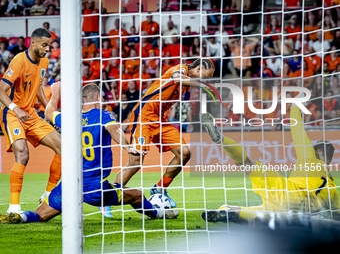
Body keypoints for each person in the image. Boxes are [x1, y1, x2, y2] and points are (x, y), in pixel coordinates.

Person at [0, 83, 179, 224]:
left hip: (70, 185)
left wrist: (55, 94)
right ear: (98, 97)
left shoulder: (70, 117)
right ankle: (158, 213)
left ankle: (21, 217)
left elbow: (48, 114)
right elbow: (115, 130)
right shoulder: (103, 115)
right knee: (138, 195)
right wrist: (126, 147)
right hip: (95, 189)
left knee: (40, 215)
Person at [200, 99, 340, 223]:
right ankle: (228, 212)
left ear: (315, 151)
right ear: (330, 158)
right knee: (260, 212)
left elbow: (297, 129)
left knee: (246, 163)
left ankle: (221, 140)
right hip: (299, 212)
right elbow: (337, 215)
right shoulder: (332, 188)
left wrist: (295, 107)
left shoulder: (309, 157)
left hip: (289, 192)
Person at [114, 59, 215, 208]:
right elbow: (178, 79)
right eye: (206, 77)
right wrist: (203, 85)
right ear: (199, 69)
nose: (205, 80)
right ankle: (108, 197)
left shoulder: (187, 85)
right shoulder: (180, 69)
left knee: (184, 152)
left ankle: (159, 188)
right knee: (135, 162)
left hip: (159, 119)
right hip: (144, 115)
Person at [0, 28, 61, 214]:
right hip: (12, 114)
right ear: (32, 43)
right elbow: (1, 90)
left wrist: (50, 111)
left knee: (64, 148)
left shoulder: (44, 61)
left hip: (31, 115)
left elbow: (38, 88)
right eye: (44, 45)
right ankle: (13, 208)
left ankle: (48, 194)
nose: (47, 49)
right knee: (23, 155)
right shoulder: (18, 61)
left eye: (49, 46)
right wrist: (15, 109)